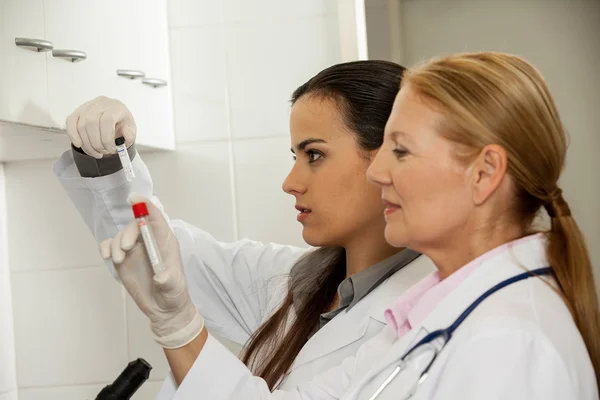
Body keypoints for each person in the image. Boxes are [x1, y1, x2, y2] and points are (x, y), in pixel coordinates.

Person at [97, 51, 599, 399]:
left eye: (400, 151)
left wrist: (180, 325)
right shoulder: (429, 319)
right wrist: (178, 324)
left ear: (485, 173)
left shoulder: (507, 340)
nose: (380, 173)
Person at [53, 61, 436, 394]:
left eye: (314, 155)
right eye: (295, 156)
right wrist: (106, 155)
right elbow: (152, 252)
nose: (291, 182)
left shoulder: (423, 317)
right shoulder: (296, 280)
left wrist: (179, 326)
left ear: (389, 157)